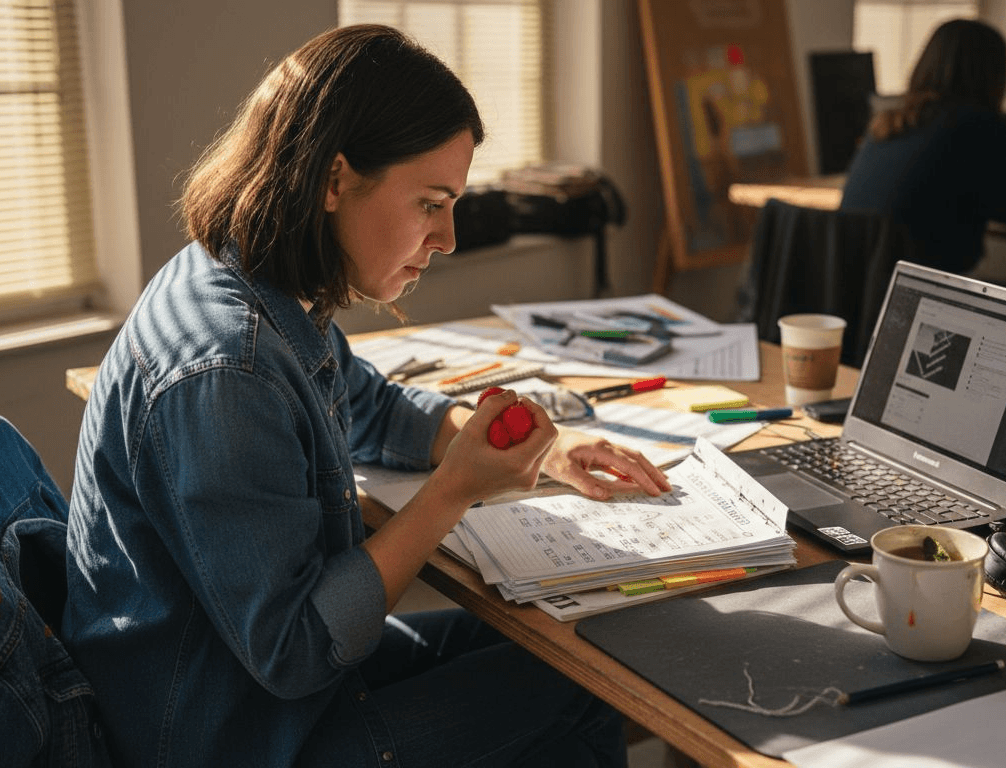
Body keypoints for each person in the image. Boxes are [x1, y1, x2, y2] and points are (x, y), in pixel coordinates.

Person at [62, 25, 668, 767]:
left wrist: (549, 447)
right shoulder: (230, 370)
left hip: (247, 690)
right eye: (430, 203)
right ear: (334, 180)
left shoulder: (251, 279)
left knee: (566, 646)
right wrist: (453, 491)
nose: (448, 237)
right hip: (225, 733)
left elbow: (375, 409)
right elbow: (297, 650)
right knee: (589, 687)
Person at [840, 18, 1006, 274]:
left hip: (858, 288)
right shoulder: (977, 128)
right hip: (919, 290)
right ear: (993, 76)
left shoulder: (888, 124)